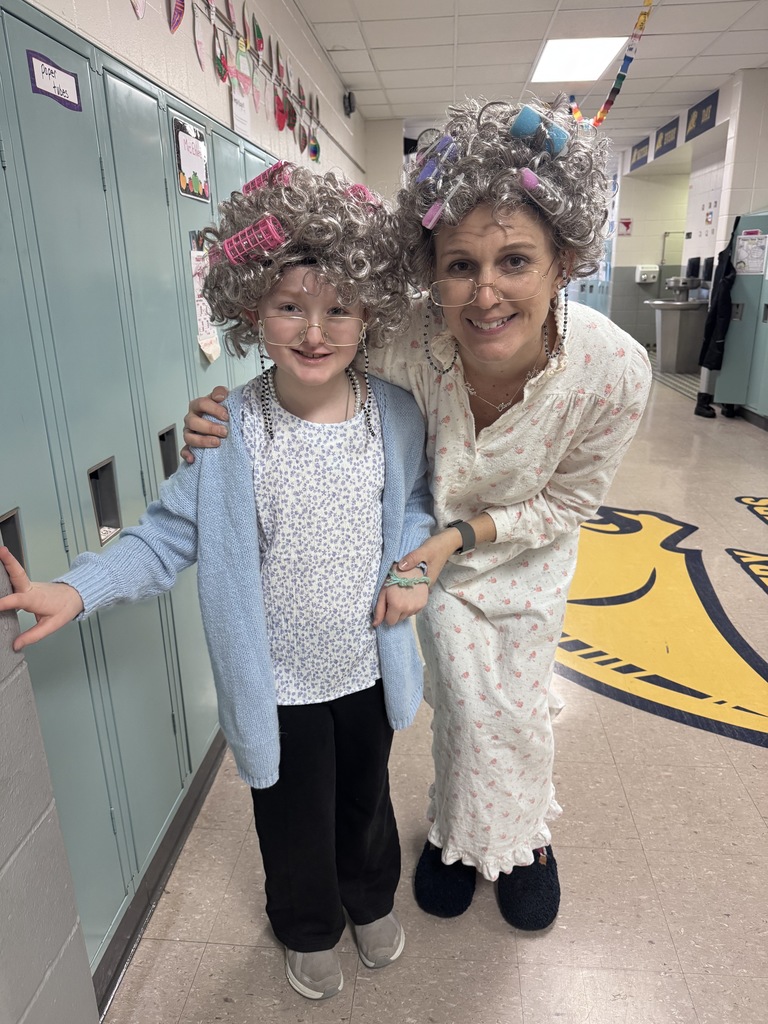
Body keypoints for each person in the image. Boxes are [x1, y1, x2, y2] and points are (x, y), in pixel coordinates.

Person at [180, 96, 653, 933]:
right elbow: (316, 365)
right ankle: (455, 835)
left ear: (565, 261)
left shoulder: (613, 370)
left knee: (514, 701)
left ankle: (521, 844)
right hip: (408, 542)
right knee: (459, 701)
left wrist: (458, 538)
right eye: (459, 265)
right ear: (431, 271)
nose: (485, 294)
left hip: (521, 548)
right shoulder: (408, 343)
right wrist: (230, 417)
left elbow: (570, 500)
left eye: (515, 261)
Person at [0, 166, 436, 1001]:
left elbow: (415, 505)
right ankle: (308, 926)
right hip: (277, 682)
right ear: (249, 311)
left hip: (368, 664)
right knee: (291, 816)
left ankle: (370, 898)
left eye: (338, 307)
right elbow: (166, 536)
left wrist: (413, 565)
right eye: (289, 307)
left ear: (368, 313)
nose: (315, 330)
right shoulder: (229, 429)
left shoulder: (396, 413)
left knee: (367, 801)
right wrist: (78, 588)